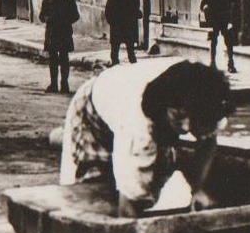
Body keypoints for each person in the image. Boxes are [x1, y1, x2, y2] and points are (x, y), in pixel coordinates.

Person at [59, 57, 234, 217]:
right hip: (93, 111)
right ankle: (60, 137)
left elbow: (208, 141)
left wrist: (198, 188)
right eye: (179, 116)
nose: (186, 128)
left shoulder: (206, 95)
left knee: (153, 186)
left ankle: (57, 137)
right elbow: (126, 209)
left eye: (193, 119)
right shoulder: (139, 127)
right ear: (166, 109)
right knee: (97, 195)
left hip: (132, 102)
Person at [39, 0, 81, 93]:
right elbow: (42, 16)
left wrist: (65, 21)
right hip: (52, 33)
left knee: (63, 58)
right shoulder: (46, 2)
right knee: (53, 59)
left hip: (64, 32)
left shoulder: (69, 1)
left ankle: (64, 83)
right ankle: (54, 83)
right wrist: (48, 19)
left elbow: (75, 16)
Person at [198, 0, 238, 73]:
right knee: (213, 38)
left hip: (223, 10)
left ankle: (230, 62)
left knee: (228, 38)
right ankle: (212, 62)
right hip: (212, 11)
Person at [104, 0, 142, 64]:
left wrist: (113, 21)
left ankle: (122, 66)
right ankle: (117, 66)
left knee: (126, 51)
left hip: (120, 27)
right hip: (123, 27)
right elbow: (108, 12)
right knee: (119, 51)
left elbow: (136, 11)